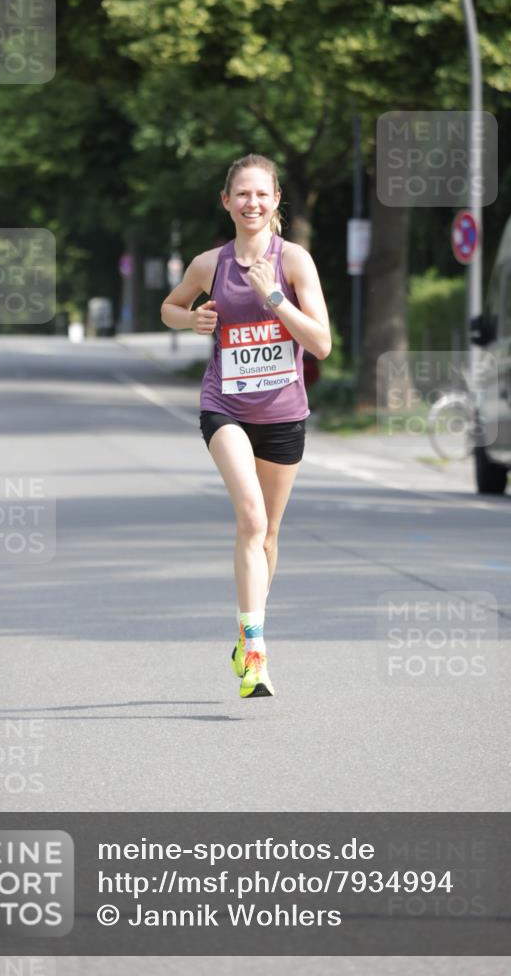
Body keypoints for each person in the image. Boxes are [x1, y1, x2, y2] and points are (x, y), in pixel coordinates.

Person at [161, 153, 331, 698]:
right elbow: (169, 307)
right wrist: (191, 318)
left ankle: (246, 632)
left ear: (276, 199)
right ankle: (256, 652)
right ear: (226, 201)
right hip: (225, 407)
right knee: (252, 519)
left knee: (269, 536)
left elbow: (321, 343)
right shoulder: (209, 265)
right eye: (242, 194)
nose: (251, 203)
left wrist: (274, 296)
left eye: (261, 194)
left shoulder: (294, 261)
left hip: (283, 413)